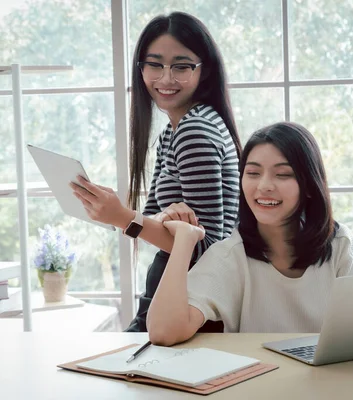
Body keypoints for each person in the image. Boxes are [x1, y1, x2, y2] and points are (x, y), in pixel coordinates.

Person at [71, 12, 241, 332]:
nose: (165, 79)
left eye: (181, 65)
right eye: (154, 64)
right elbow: (156, 220)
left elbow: (205, 247)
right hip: (171, 294)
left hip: (189, 302)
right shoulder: (174, 129)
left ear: (204, 71)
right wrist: (125, 215)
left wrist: (121, 217)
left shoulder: (195, 131)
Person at [147, 122, 353, 346]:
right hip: (258, 378)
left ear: (309, 185)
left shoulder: (339, 245)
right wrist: (184, 239)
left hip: (326, 378)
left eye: (282, 174)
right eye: (253, 173)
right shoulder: (230, 256)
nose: (264, 185)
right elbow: (163, 332)